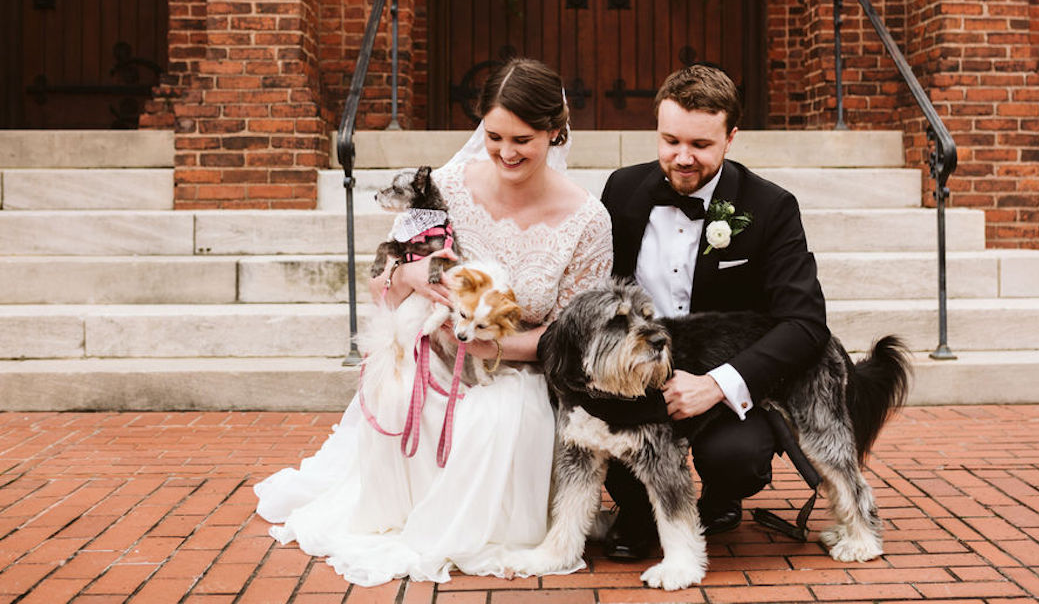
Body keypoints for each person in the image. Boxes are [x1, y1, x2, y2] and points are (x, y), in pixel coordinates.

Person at [254, 57, 613, 586]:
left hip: (523, 368)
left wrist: (493, 351)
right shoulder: (442, 187)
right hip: (438, 356)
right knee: (396, 395)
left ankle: (478, 525)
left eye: (523, 139)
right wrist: (412, 273)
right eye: (494, 137)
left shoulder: (587, 220)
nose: (506, 153)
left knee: (501, 419)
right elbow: (381, 285)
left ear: (556, 132)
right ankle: (404, 514)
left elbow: (571, 337)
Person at [598, 64, 831, 560]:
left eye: (701, 145)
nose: (682, 158)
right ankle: (638, 511)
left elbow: (805, 324)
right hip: (639, 371)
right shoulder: (622, 191)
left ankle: (721, 497)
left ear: (731, 137)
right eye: (669, 141)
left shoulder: (771, 207)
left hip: (724, 372)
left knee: (736, 459)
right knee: (615, 451)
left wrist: (717, 384)